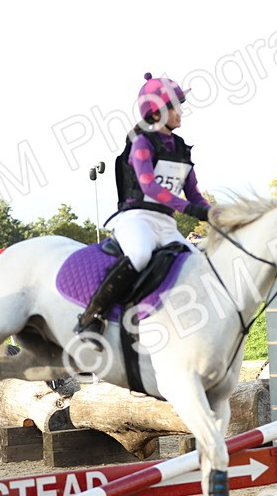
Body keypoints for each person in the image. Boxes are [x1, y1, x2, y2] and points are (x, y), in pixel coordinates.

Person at [75, 73, 212, 336]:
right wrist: (188, 209)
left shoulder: (182, 148)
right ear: (158, 111)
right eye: (175, 106)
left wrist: (215, 213)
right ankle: (92, 317)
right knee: (139, 255)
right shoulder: (141, 142)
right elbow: (148, 185)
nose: (181, 112)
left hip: (166, 224)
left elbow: (193, 193)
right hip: (136, 219)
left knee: (197, 265)